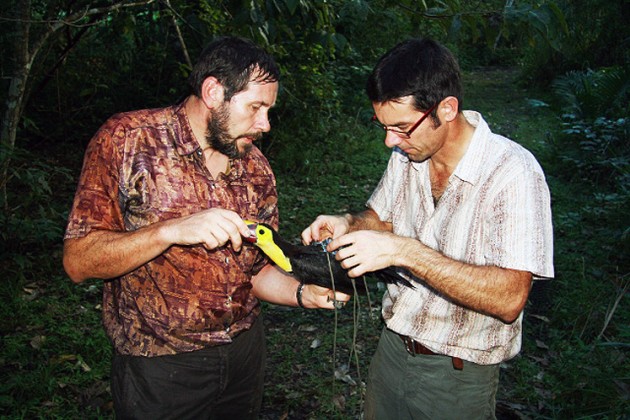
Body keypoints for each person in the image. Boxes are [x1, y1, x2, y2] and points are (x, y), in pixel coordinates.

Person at [63, 36, 349, 419]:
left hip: (244, 357)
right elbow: (79, 261)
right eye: (255, 107)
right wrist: (169, 231)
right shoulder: (128, 140)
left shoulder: (255, 168)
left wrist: (302, 294)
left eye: (269, 110)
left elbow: (256, 271)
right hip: (161, 367)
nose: (264, 124)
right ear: (213, 91)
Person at [302, 37, 554, 419]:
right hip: (391, 351)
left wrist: (404, 251)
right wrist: (348, 223)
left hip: (457, 375)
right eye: (383, 126)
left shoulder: (512, 173)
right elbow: (381, 219)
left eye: (401, 128)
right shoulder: (410, 153)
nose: (391, 141)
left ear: (447, 109)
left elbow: (508, 299)